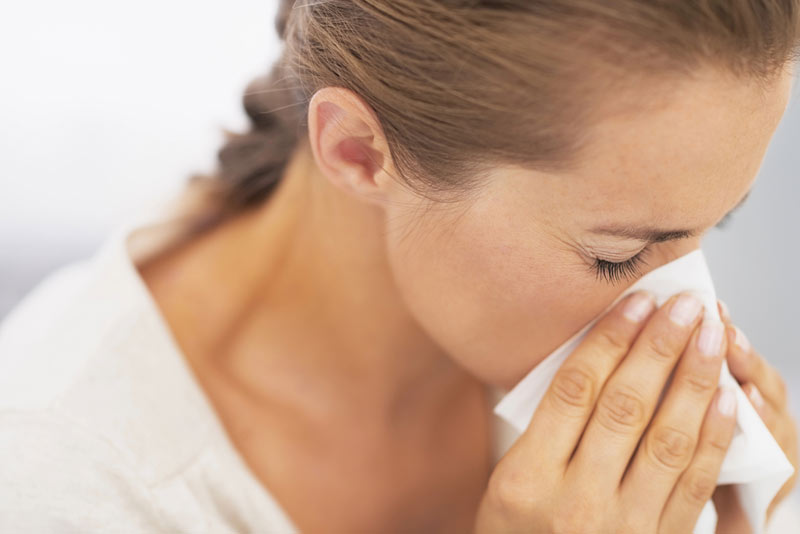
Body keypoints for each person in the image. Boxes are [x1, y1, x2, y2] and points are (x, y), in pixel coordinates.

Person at [1, 0, 798, 532]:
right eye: (615, 255)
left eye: (712, 223)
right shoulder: (60, 486)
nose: (691, 315)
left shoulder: (523, 336)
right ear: (357, 151)